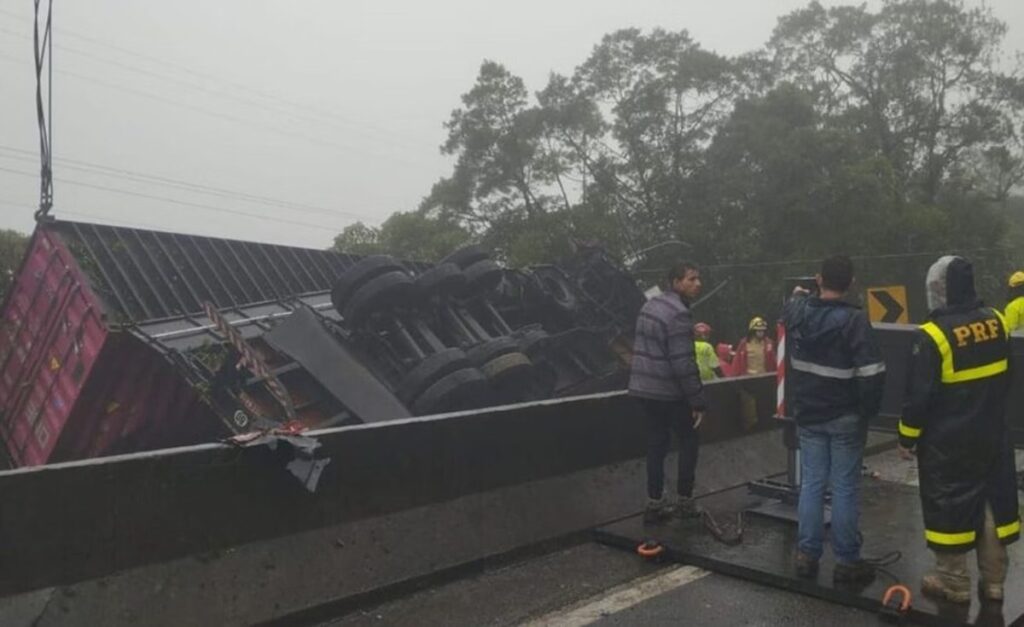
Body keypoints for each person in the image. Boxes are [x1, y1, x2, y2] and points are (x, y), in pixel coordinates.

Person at [898, 256, 1020, 604]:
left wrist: (907, 437)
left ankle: (954, 581)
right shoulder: (996, 321)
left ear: (944, 290)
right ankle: (994, 581)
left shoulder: (933, 335)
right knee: (991, 502)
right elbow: (1007, 376)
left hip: (947, 443)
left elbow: (918, 398)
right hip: (992, 433)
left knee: (949, 504)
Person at [782, 255, 886, 583]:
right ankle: (846, 559)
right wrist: (866, 411)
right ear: (851, 283)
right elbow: (871, 373)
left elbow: (791, 307)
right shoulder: (854, 320)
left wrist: (802, 294)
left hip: (808, 414)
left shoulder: (799, 312)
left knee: (812, 483)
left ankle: (806, 555)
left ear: (818, 279)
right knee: (843, 487)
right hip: (845, 416)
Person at [629, 261, 708, 524]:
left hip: (643, 389)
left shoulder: (650, 305)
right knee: (688, 439)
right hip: (668, 392)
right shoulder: (678, 315)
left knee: (656, 443)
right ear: (675, 282)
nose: (698, 284)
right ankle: (685, 500)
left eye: (698, 279)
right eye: (691, 279)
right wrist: (697, 400)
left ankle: (654, 503)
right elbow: (683, 363)